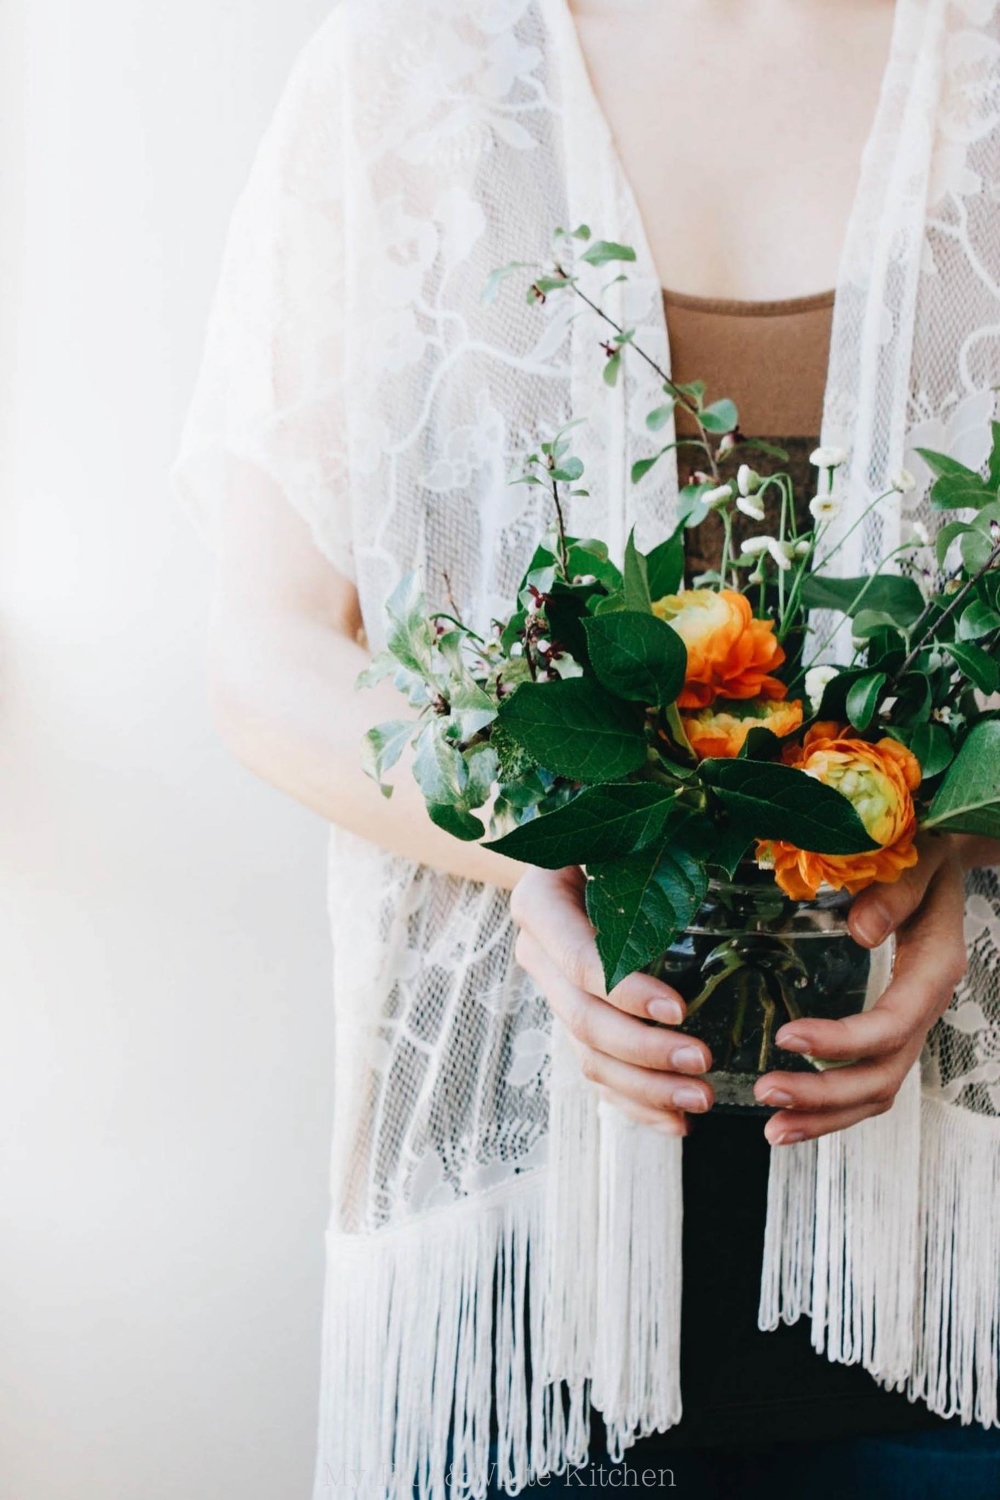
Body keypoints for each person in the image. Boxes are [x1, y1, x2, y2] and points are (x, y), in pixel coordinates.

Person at [171, 1, 1000, 1496]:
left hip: (944, 1249)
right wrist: (533, 853)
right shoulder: (410, 71)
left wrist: (964, 846)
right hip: (518, 1244)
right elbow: (270, 651)